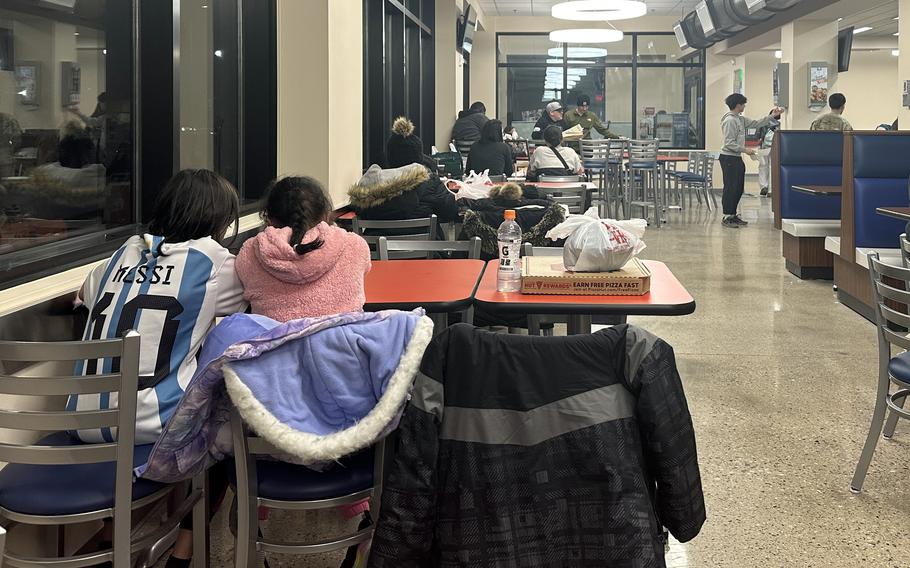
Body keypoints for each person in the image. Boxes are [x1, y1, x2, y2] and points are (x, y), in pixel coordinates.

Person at [72, 169, 247, 567]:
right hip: (151, 428)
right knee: (225, 426)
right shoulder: (216, 263)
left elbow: (82, 296)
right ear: (218, 220)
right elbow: (242, 309)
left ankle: (108, 538)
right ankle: (182, 555)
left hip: (82, 422)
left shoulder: (116, 256)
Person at [235, 176, 371, 321]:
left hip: (278, 343)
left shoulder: (250, 253)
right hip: (344, 342)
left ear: (269, 218)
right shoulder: (355, 246)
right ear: (326, 214)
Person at [719, 93, 783, 229]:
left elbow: (756, 123)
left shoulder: (739, 119)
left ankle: (733, 214)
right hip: (729, 158)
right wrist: (745, 149)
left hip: (736, 158)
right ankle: (727, 216)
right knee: (731, 188)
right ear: (738, 105)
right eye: (743, 104)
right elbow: (728, 143)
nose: (744, 106)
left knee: (738, 188)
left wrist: (773, 115)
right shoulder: (730, 120)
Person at [348, 162, 458, 239]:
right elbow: (450, 212)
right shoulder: (430, 185)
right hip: (427, 263)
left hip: (378, 265)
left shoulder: (366, 197)